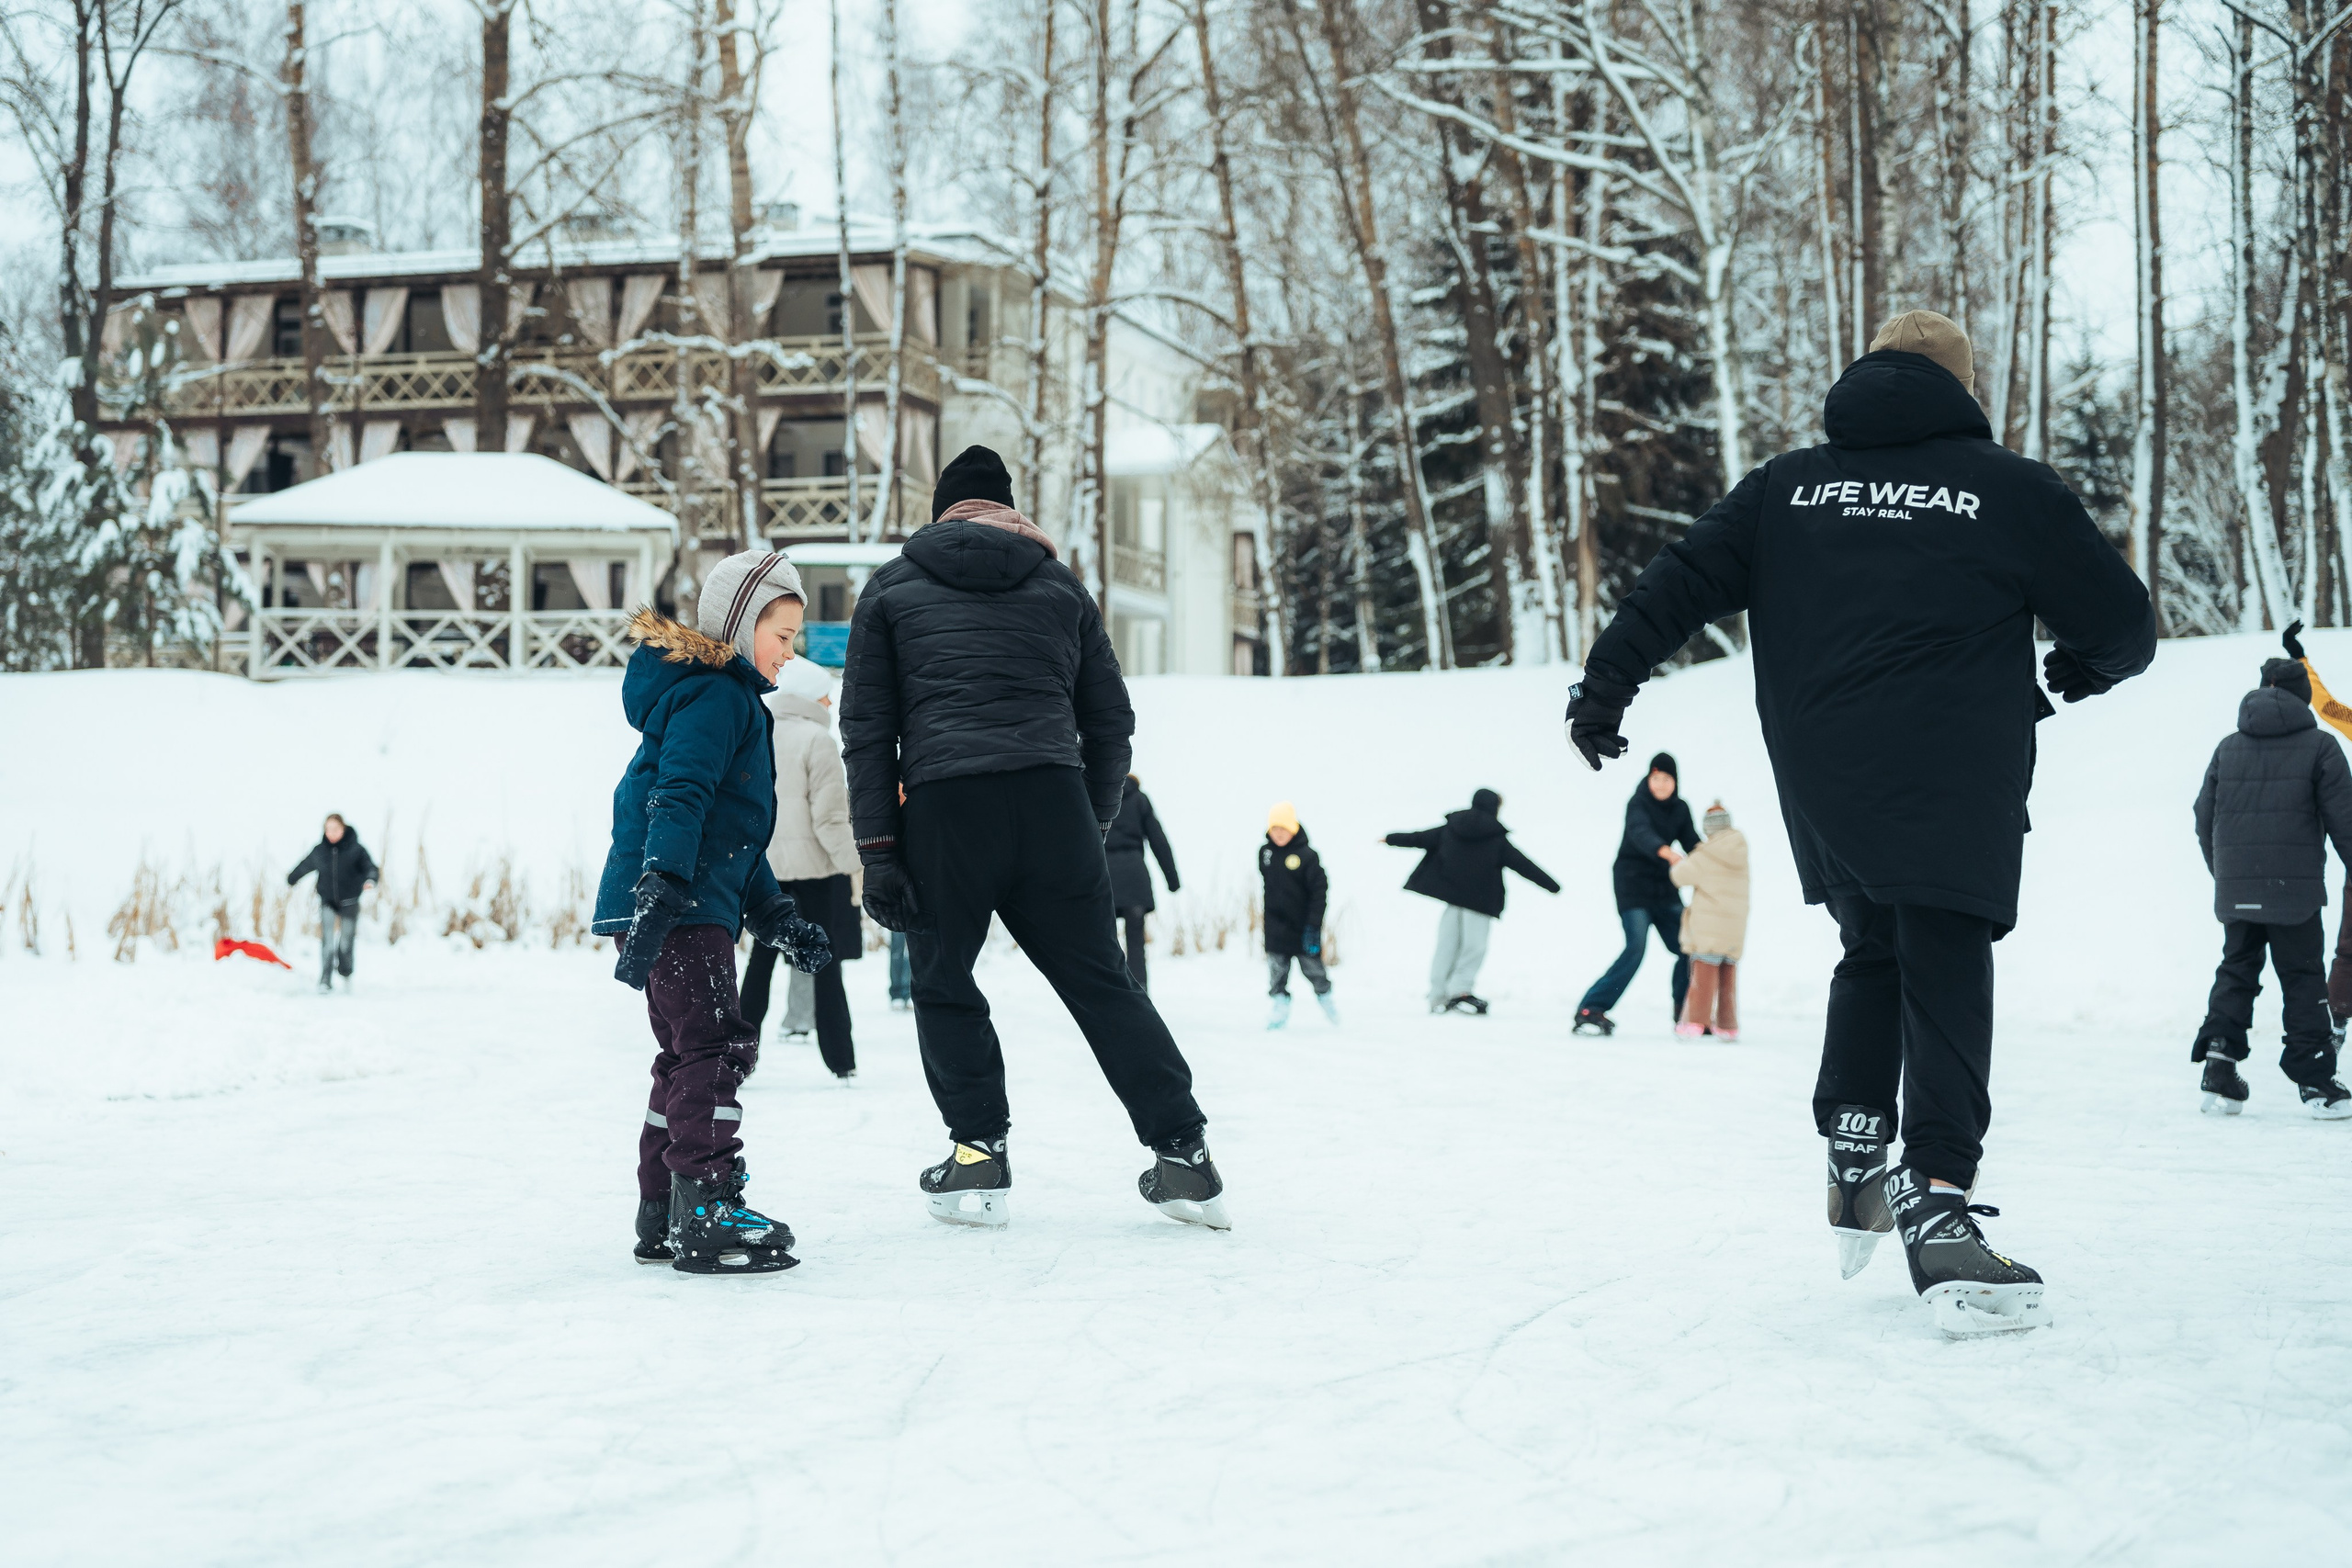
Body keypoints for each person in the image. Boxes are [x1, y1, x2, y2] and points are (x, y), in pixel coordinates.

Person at [1563, 310, 2154, 1337]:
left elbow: (1676, 583)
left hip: (1824, 772)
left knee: (1872, 940)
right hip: (1956, 770)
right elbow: (2123, 627)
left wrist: (1605, 685)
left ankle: (1852, 1141)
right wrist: (2081, 670)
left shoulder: (1788, 487)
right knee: (1946, 945)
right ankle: (1934, 1193)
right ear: (1961, 390)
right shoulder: (2009, 490)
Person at [840, 445, 1225, 1231]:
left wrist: (879, 849)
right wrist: (1089, 815)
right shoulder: (1060, 586)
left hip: (948, 808)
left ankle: (978, 1155)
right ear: (1010, 509)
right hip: (1053, 799)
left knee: (945, 979)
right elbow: (1111, 719)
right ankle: (1184, 1152)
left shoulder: (891, 589)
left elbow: (867, 731)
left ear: (943, 509)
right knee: (1102, 980)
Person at [594, 550, 833, 1276]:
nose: (790, 653)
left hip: (686, 899)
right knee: (716, 1048)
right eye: (782, 635)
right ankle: (705, 1203)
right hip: (678, 903)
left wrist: (779, 917)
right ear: (738, 624)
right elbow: (682, 792)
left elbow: (734, 841)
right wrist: (663, 884)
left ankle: (663, 1205)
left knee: (685, 1055)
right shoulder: (716, 697)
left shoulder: (729, 701)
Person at [2190, 655, 2352, 1119]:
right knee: (2302, 977)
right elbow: (2346, 822)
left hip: (2237, 888)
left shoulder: (2228, 747)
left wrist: (2225, 874)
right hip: (2293, 891)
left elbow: (2204, 818)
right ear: (2303, 697)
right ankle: (2318, 1083)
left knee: (2236, 970)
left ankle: (2220, 1068)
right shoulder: (2321, 746)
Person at [739, 654, 861, 1079]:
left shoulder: (759, 733)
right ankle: (841, 1061)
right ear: (810, 697)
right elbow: (829, 820)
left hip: (765, 873)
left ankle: (737, 1060)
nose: (831, 705)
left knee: (760, 963)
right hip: (815, 874)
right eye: (826, 697)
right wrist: (856, 867)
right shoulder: (818, 741)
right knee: (826, 964)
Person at [1384, 787, 1559, 1015]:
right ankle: (1460, 991)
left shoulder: (1451, 827)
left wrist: (1390, 839)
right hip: (1480, 903)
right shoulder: (1496, 838)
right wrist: (1552, 886)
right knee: (1473, 947)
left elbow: (1418, 837)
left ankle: (1438, 995)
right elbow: (1523, 865)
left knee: (1446, 946)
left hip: (1453, 900)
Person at [1572, 754, 1699, 1034]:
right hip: (1632, 885)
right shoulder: (1638, 802)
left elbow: (1692, 842)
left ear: (1675, 782)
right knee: (1636, 948)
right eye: (1656, 778)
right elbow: (1639, 832)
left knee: (1689, 947)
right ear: (1648, 779)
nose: (1661, 784)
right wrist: (1665, 851)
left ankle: (1685, 1011)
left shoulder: (1680, 808)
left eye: (1667, 779)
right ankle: (1590, 1008)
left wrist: (1713, 860)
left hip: (1664, 889)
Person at [1670, 802, 1749, 1041]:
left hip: (1709, 927)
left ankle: (1695, 1022)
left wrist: (1676, 862)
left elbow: (1681, 877)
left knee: (1703, 978)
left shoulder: (1707, 852)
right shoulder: (1740, 849)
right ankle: (1728, 1026)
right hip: (1734, 926)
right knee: (1727, 977)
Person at [1260, 801, 1335, 1029]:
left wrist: (1313, 925)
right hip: (1275, 926)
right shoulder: (1266, 853)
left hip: (1303, 927)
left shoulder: (1308, 856)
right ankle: (1279, 1005)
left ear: (1293, 829)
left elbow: (1320, 891)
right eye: (1275, 829)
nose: (1279, 834)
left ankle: (1327, 1002)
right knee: (1276, 970)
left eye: (1283, 829)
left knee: (1313, 969)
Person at [1105, 773, 1182, 992]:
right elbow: (1158, 839)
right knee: (1136, 942)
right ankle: (1139, 991)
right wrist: (1172, 879)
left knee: (1104, 939)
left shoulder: (1096, 795)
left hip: (1104, 879)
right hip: (1134, 877)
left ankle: (1111, 990)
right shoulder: (1140, 799)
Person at [286, 813, 376, 995]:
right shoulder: (320, 851)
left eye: (335, 829)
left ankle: (345, 972)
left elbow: (370, 867)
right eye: (328, 829)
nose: (331, 833)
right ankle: (325, 979)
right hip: (328, 900)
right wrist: (292, 878)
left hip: (350, 901)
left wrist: (371, 879)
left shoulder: (356, 850)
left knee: (345, 942)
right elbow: (305, 865)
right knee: (327, 941)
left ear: (343, 828)